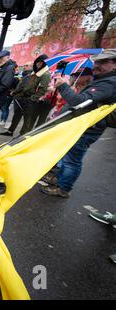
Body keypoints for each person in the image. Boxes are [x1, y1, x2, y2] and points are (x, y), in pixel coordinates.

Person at [41, 49, 116, 198]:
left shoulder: (109, 83)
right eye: (96, 61)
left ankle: (64, 188)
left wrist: (63, 85)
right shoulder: (104, 80)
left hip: (86, 128)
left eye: (102, 62)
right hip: (80, 126)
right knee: (67, 156)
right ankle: (60, 180)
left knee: (72, 160)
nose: (96, 65)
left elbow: (79, 102)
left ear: (114, 65)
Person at [2, 54, 50, 136]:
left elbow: (42, 89)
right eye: (38, 62)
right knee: (19, 116)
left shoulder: (45, 74)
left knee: (27, 120)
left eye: (41, 63)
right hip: (23, 98)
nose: (38, 64)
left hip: (30, 100)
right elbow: (26, 85)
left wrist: (32, 99)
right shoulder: (35, 73)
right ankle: (12, 132)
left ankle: (22, 136)